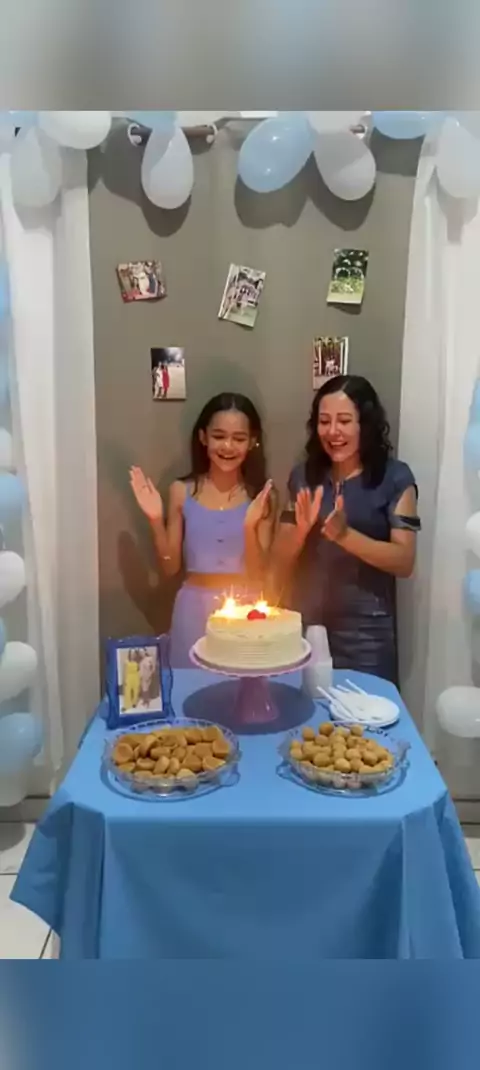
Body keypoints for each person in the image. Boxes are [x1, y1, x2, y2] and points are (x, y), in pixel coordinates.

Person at [273, 375, 420, 683]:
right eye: (324, 421)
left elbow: (404, 561)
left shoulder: (395, 478)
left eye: (344, 421)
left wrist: (345, 536)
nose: (333, 431)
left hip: (366, 634)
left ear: (365, 424)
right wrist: (300, 531)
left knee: (363, 712)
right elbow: (278, 562)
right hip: (304, 626)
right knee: (302, 711)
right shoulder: (303, 477)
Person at [130, 393, 276, 666]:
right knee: (191, 686)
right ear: (203, 437)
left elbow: (259, 573)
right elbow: (170, 567)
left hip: (245, 613)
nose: (228, 446)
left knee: (241, 686)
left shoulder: (262, 497)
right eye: (219, 436)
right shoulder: (180, 491)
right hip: (192, 612)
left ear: (252, 442)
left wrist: (249, 526)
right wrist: (155, 519)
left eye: (239, 438)